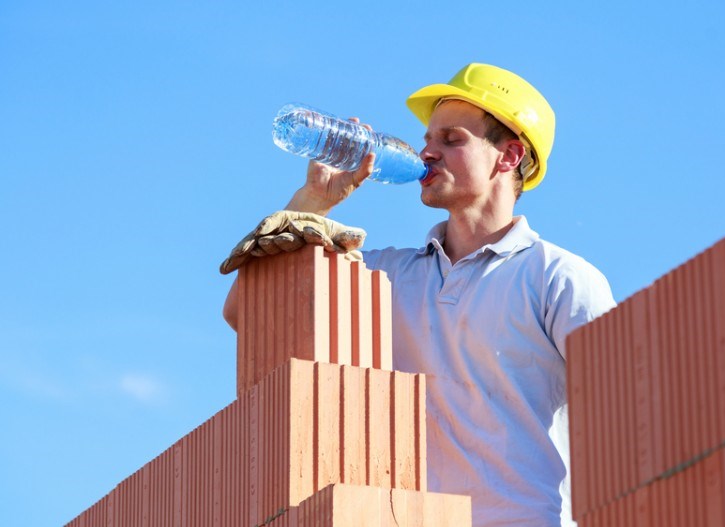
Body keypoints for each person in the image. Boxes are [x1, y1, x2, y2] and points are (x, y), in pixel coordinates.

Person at [224, 63, 616, 526]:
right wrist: (314, 202)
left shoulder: (557, 276)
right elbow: (245, 313)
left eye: (451, 140)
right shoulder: (383, 274)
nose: (427, 153)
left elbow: (625, 405)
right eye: (428, 140)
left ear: (508, 156)